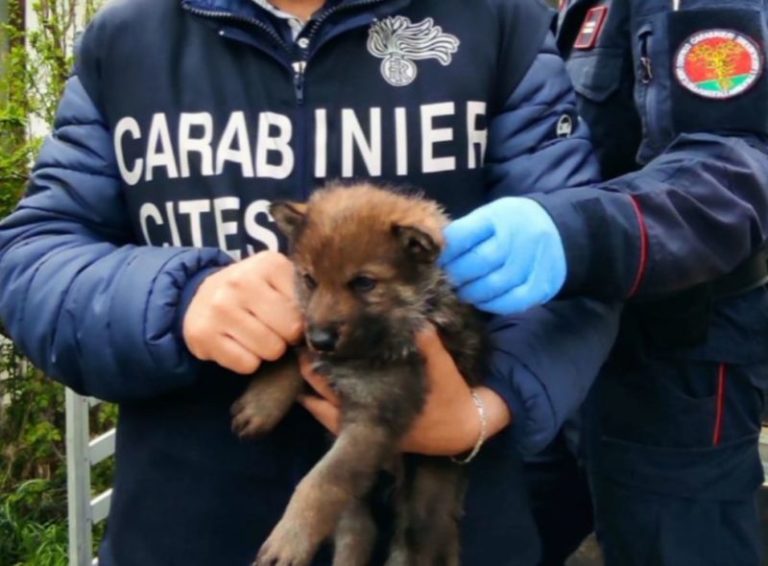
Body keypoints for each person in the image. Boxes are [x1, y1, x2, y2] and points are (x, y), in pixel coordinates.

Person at [0, 0, 620, 564]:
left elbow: (583, 254)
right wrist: (175, 299)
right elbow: (30, 255)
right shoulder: (129, 37)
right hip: (188, 523)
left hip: (447, 523)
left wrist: (489, 406)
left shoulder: (496, 23)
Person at [440, 0, 768, 564]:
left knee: (675, 537)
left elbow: (738, 164)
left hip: (678, 351)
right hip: (568, 335)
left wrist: (576, 233)